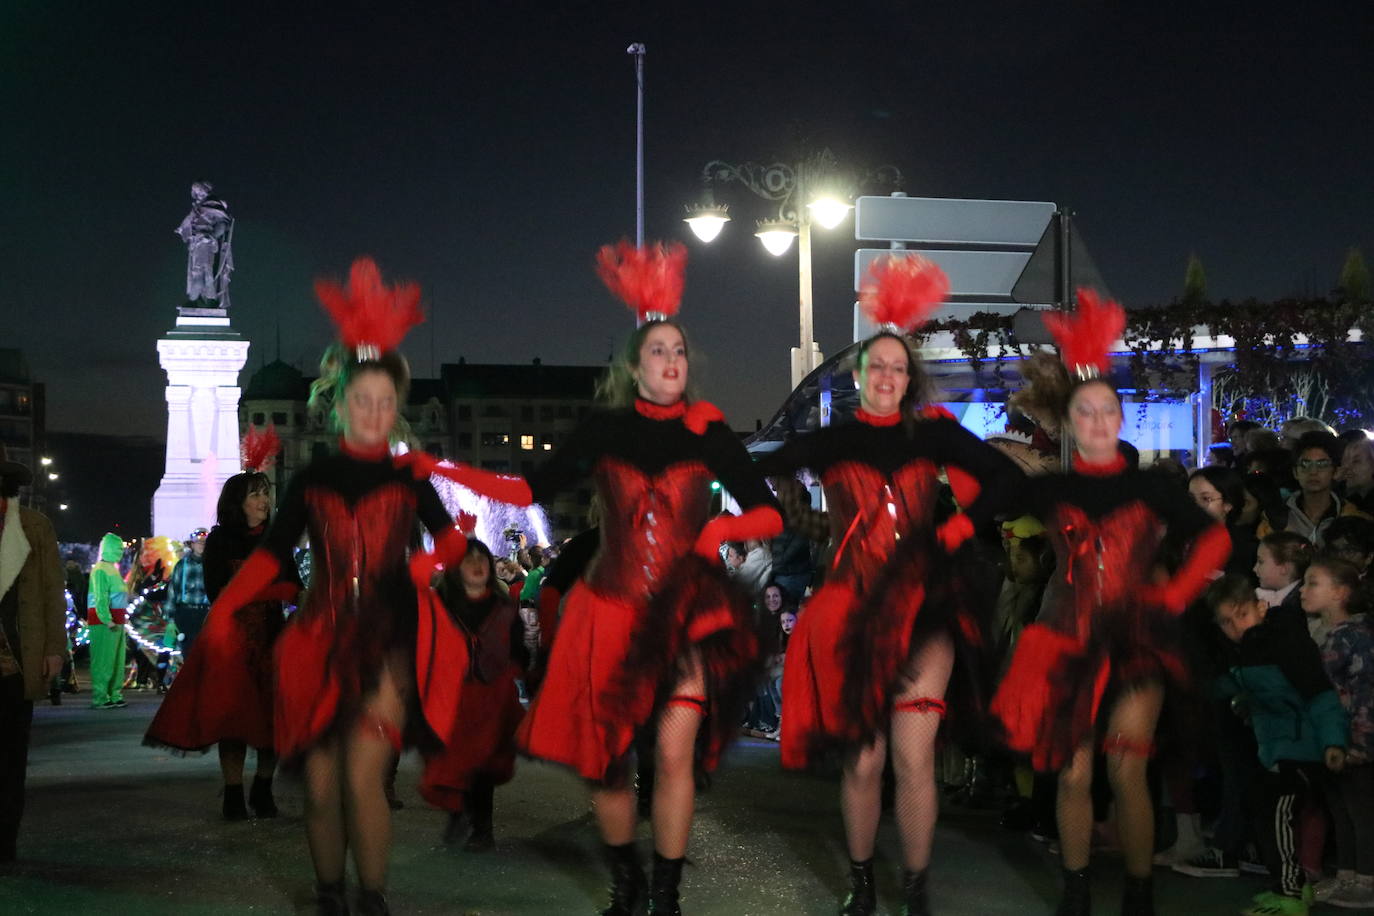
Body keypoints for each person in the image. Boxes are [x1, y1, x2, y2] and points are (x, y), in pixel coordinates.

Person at [197, 259, 530, 915]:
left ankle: (371, 899)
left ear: (395, 409)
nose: (376, 411)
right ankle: (329, 896)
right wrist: (224, 611)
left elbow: (454, 547)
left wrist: (451, 549)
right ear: (340, 406)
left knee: (362, 777)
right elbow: (269, 558)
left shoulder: (410, 479)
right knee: (321, 787)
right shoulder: (310, 482)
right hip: (316, 642)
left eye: (386, 402)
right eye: (363, 400)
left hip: (386, 643)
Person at [515, 241, 782, 916]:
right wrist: (444, 480)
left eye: (680, 352)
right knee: (606, 763)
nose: (671, 361)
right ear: (636, 366)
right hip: (607, 610)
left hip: (684, 617)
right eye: (659, 351)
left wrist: (720, 532)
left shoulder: (709, 430)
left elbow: (770, 513)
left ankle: (667, 897)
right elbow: (530, 487)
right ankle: (626, 884)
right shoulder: (604, 427)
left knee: (672, 755)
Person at [756, 255, 1020, 916]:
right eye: (877, 367)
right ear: (859, 374)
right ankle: (864, 877)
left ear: (910, 378)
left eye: (899, 368)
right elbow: (761, 461)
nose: (888, 377)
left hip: (925, 606)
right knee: (865, 762)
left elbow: (1009, 483)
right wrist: (796, 513)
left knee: (914, 759)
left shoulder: (935, 433)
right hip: (851, 608)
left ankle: (918, 888)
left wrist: (960, 531)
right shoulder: (837, 438)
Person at [990, 291, 1231, 916]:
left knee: (1126, 769)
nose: (1097, 421)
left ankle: (1138, 893)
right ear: (1070, 425)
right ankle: (1075, 892)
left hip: (1136, 644)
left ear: (1120, 420)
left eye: (1107, 410)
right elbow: (978, 496)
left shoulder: (1152, 487)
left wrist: (1172, 598)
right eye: (1085, 412)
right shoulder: (1055, 488)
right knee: (1073, 773)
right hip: (1067, 639)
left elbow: (1216, 537)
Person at [144, 428, 297, 821]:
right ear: (237, 502)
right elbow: (218, 593)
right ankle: (233, 793)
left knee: (273, 720)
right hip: (233, 642)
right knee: (234, 720)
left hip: (273, 640)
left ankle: (263, 789)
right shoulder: (220, 541)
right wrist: (265, 586)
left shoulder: (277, 541)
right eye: (255, 494)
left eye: (266, 492)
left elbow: (296, 589)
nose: (264, 500)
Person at [1207, 574, 1349, 916]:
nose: (1236, 627)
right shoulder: (1241, 652)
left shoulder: (1285, 641)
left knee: (1276, 813)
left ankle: (1289, 890)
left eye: (1241, 616)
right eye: (1226, 621)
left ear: (1259, 608)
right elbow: (1243, 687)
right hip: (1277, 746)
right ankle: (1293, 885)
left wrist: (1332, 742)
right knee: (1267, 812)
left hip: (1302, 746)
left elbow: (1318, 694)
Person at [418, 532, 526, 853]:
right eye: (470, 559)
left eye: (483, 559)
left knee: (484, 762)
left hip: (491, 697)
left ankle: (482, 827)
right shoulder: (441, 605)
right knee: (451, 758)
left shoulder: (503, 606)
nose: (478, 565)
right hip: (453, 696)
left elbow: (518, 648)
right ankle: (457, 812)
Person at [0, 444, 66, 864]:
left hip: (15, 660)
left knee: (9, 759)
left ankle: (4, 843)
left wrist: (55, 649)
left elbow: (50, 591)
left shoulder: (33, 526)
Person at [1304, 558, 1374, 908]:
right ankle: (1346, 874)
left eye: (1313, 583)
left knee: (1361, 810)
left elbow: (1366, 692)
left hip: (1354, 740)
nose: (1304, 590)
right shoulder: (1325, 633)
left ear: (1340, 593)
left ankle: (1367, 879)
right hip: (1330, 738)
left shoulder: (1357, 637)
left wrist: (1361, 743)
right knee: (1339, 806)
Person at [86, 532, 129, 709]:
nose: (120, 551)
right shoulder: (100, 570)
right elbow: (100, 597)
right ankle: (100, 696)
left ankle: (114, 693)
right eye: (118, 548)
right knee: (104, 660)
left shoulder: (111, 569)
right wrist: (106, 619)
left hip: (116, 622)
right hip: (105, 623)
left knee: (117, 660)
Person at [164, 528, 210, 656]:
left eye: (205, 543)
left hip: (207, 615)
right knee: (188, 656)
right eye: (198, 542)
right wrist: (170, 621)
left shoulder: (213, 565)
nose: (202, 545)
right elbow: (172, 592)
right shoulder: (181, 565)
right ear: (192, 544)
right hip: (186, 616)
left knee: (205, 656)